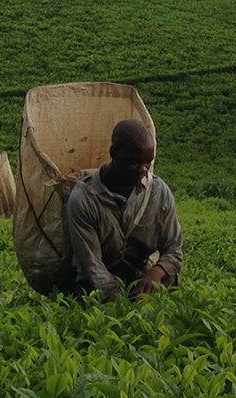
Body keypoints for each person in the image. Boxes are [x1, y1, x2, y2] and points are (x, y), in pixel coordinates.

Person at [65, 119, 182, 302]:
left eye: (148, 163)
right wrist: (122, 301)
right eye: (133, 162)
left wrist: (157, 273)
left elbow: (174, 248)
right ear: (113, 154)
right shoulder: (84, 198)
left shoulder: (159, 192)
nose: (142, 169)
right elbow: (92, 265)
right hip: (93, 287)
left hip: (139, 278)